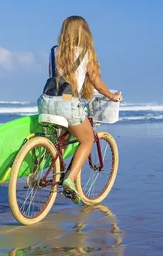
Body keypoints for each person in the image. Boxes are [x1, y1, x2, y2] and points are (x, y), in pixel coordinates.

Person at [37, 16, 122, 204]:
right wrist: (111, 96)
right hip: (68, 104)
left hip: (45, 101)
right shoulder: (86, 53)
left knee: (63, 136)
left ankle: (53, 164)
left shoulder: (54, 51)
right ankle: (69, 179)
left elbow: (54, 77)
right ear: (84, 33)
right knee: (87, 139)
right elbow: (97, 83)